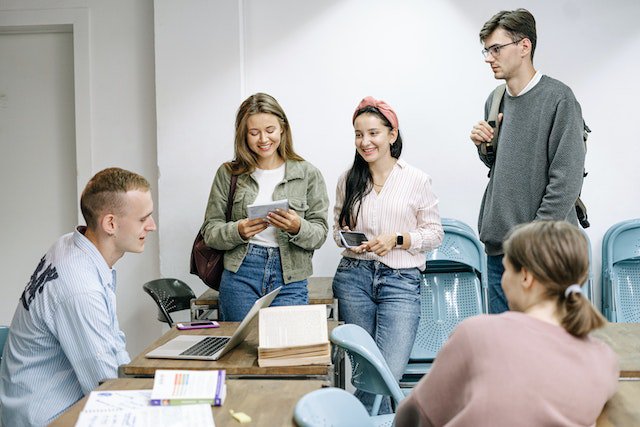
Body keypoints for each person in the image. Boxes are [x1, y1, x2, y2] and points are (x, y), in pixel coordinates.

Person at [395, 221, 618, 427]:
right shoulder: (604, 360)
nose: (502, 280)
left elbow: (414, 416)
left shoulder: (478, 334)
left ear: (525, 277)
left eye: (506, 269)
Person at [0, 167, 157, 426]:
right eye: (143, 219)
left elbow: (111, 345)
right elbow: (107, 388)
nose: (152, 226)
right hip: (47, 418)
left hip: (43, 404)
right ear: (110, 224)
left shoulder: (71, 244)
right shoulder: (80, 288)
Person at [469, 8, 587, 314]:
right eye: (487, 49)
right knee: (505, 352)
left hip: (544, 254)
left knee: (549, 352)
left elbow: (566, 182)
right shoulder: (495, 99)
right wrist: (485, 147)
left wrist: (530, 243)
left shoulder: (559, 99)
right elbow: (504, 167)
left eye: (496, 48)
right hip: (500, 252)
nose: (488, 57)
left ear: (524, 46)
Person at [332, 96, 443, 414]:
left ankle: (349, 419)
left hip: (401, 281)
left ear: (392, 134)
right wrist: (350, 241)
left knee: (386, 374)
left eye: (373, 133)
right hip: (353, 278)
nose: (364, 142)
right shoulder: (348, 179)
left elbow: (434, 234)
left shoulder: (416, 179)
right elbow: (336, 232)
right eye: (358, 134)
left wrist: (397, 239)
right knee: (366, 373)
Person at [202, 93, 329, 321]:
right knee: (240, 352)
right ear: (243, 135)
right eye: (254, 133)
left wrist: (297, 227)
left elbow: (320, 234)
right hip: (241, 273)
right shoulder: (228, 174)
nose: (263, 139)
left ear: (282, 128)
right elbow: (210, 231)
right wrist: (238, 230)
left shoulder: (308, 174)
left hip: (290, 276)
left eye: (270, 130)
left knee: (285, 351)